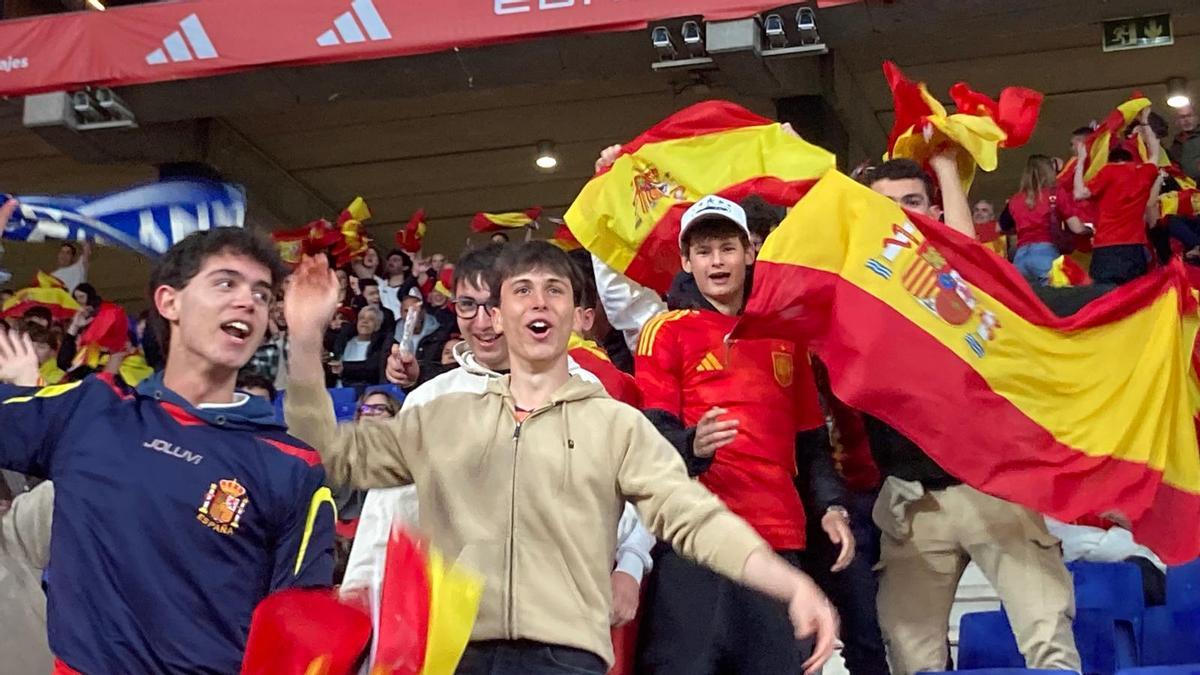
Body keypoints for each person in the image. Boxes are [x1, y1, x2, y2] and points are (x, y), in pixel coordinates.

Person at [282, 241, 838, 675]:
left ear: (577, 315)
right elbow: (331, 449)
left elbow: (697, 519)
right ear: (498, 313)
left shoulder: (615, 424)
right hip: (455, 653)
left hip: (568, 658)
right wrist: (306, 339)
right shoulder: (443, 414)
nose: (539, 301)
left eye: (555, 290)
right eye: (521, 290)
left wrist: (791, 585)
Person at [0, 227, 334, 673]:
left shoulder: (292, 466)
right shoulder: (89, 412)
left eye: (261, 293)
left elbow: (301, 628)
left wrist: (307, 338)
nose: (247, 301)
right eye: (225, 283)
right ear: (168, 301)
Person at [342, 244, 656, 671]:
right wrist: (358, 603)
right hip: (451, 636)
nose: (483, 322)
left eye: (493, 305)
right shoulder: (431, 399)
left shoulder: (584, 390)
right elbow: (387, 517)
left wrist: (631, 566)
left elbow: (636, 494)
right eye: (468, 306)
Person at [863, 159, 1080, 675]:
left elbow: (965, 257)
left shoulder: (962, 285)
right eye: (885, 206)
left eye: (912, 202)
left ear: (934, 210)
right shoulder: (859, 291)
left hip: (995, 489)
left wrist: (944, 164)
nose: (900, 215)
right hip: (911, 503)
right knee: (912, 660)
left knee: (1048, 643)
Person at [634, 195, 853, 675]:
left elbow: (811, 444)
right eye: (705, 251)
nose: (717, 261)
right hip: (696, 536)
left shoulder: (785, 337)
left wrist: (832, 507)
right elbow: (651, 440)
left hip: (778, 537)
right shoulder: (664, 331)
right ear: (687, 261)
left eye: (727, 248)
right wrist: (693, 445)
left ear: (749, 252)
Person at [1073, 123, 1161, 286]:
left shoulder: (1108, 171)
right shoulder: (1144, 172)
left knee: (1105, 300)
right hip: (1134, 248)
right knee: (1134, 298)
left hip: (1106, 248)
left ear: (1111, 161)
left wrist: (1081, 160)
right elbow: (1155, 152)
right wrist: (1145, 122)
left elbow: (1079, 193)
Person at [1007, 155, 1065, 285]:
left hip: (1020, 256)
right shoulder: (1055, 194)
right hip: (1045, 251)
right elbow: (1076, 226)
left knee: (1025, 301)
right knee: (1056, 297)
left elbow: (1000, 227)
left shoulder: (1014, 199)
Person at [331, 303, 388, 388]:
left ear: (377, 326)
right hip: (339, 389)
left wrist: (344, 368)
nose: (364, 321)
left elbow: (372, 369)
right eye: (361, 318)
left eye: (371, 319)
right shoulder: (344, 341)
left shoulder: (380, 345)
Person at [378, 248, 419, 317]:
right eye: (389, 260)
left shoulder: (411, 289)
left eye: (395, 260)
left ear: (405, 267)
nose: (390, 262)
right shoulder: (379, 284)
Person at [1169, 103, 1200, 180]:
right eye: (1182, 117)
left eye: (1189, 115)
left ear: (1196, 117)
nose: (1186, 120)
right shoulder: (1176, 143)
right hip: (1187, 187)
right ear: (1177, 121)